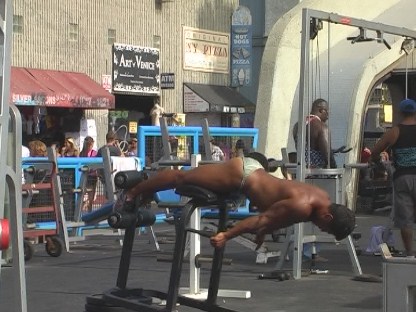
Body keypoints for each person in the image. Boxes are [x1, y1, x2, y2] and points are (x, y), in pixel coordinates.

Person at [115, 152, 355, 249]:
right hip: (242, 175)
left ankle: (144, 192)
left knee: (183, 180)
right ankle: (132, 193)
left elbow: (276, 215)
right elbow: (262, 217)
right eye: (326, 228)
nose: (321, 229)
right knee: (182, 177)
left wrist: (263, 232)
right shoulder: (303, 208)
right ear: (328, 216)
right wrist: (226, 236)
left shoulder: (322, 198)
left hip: (251, 178)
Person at [370, 98, 416, 257]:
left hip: (403, 177)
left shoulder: (395, 131)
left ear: (401, 112)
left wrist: (377, 162)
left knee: (406, 217)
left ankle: (410, 253)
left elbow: (375, 151)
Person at [293, 98, 336, 168]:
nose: (328, 116)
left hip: (301, 172)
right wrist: (335, 169)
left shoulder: (297, 126)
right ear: (321, 110)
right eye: (327, 112)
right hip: (318, 174)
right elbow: (328, 156)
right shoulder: (322, 127)